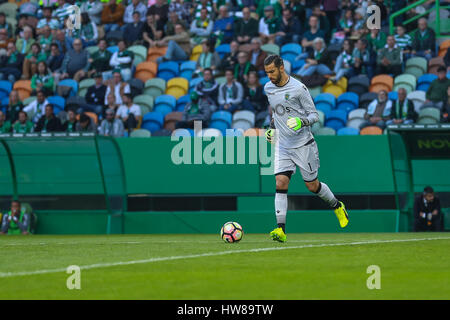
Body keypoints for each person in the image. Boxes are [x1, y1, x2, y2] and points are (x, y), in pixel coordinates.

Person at [263, 55, 349, 242]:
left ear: (282, 68)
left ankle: (337, 205)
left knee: (312, 186)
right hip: (283, 145)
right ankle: (281, 230)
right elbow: (276, 112)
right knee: (280, 183)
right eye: (267, 72)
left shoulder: (299, 88)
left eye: (272, 71)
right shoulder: (268, 88)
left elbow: (314, 115)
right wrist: (271, 129)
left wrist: (301, 121)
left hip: (303, 144)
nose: (269, 76)